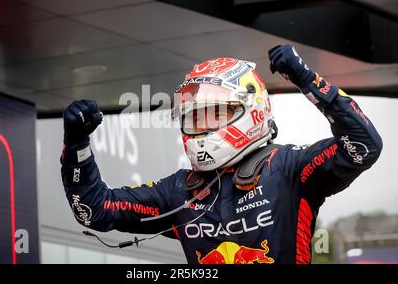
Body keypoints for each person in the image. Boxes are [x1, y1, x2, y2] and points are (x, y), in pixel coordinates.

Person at [60, 44, 382, 264]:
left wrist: (308, 80)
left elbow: (363, 145)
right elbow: (94, 211)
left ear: (251, 110)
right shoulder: (179, 190)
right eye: (194, 117)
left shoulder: (288, 167)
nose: (201, 126)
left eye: (213, 114)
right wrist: (77, 145)